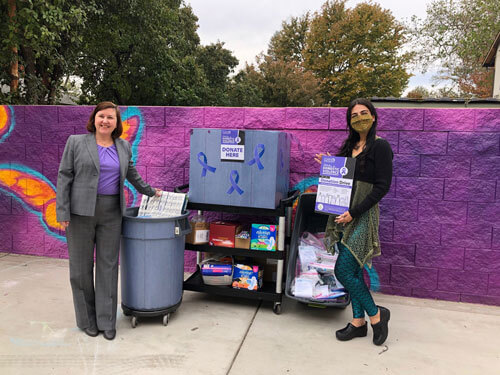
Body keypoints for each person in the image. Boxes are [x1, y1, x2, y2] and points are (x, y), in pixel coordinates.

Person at [56, 101, 161, 340]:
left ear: (116, 123)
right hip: (79, 213)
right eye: (101, 116)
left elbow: (131, 173)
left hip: (112, 212)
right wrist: (62, 211)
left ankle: (107, 321)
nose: (105, 121)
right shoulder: (76, 142)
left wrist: (150, 191)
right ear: (94, 119)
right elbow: (64, 177)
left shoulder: (123, 146)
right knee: (81, 269)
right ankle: (87, 321)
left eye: (110, 118)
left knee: (108, 267)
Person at [315, 98, 393, 346]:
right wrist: (329, 165)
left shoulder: (380, 147)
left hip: (362, 215)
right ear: (349, 121)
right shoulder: (349, 145)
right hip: (341, 214)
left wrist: (354, 212)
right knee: (355, 270)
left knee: (343, 270)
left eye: (364, 113)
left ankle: (377, 315)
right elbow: (340, 177)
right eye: (354, 115)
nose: (359, 118)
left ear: (373, 116)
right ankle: (358, 323)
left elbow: (382, 186)